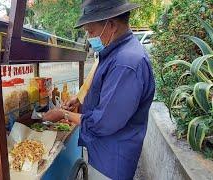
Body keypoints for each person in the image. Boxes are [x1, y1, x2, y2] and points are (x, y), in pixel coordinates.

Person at [43, 0, 155, 179]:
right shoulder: (116, 53)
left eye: (91, 31)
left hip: (111, 160)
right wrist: (79, 101)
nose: (89, 37)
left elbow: (105, 121)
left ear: (110, 25)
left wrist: (63, 115)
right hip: (104, 151)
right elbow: (104, 93)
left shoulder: (126, 62)